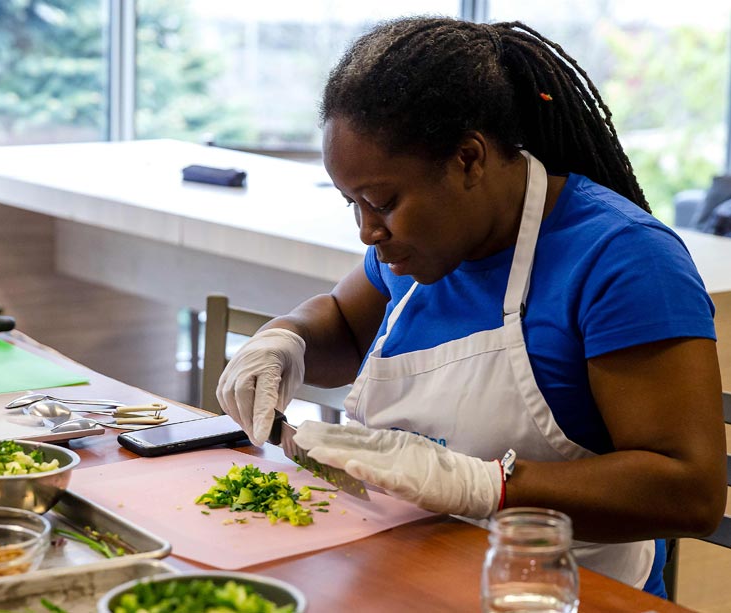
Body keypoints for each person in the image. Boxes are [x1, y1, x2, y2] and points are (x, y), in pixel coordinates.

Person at [217, 17, 727, 597]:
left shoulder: (623, 259)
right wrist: (286, 342)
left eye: (382, 201)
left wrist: (488, 486)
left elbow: (691, 491)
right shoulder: (417, 248)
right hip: (408, 575)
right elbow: (341, 320)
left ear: (468, 159)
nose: (366, 232)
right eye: (350, 202)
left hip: (560, 595)